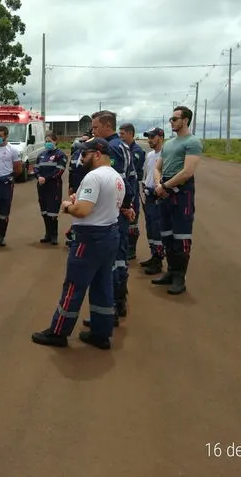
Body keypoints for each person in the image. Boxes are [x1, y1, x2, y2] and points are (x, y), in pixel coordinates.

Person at [31, 138, 126, 350]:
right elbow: (102, 204)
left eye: (85, 154)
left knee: (74, 285)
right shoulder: (116, 177)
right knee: (103, 285)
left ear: (98, 154)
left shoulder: (94, 176)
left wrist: (66, 206)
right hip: (110, 234)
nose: (81, 158)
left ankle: (58, 332)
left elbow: (83, 211)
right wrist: (79, 200)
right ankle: (101, 333)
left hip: (90, 238)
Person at [82, 111, 134, 326]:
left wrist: (122, 205)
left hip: (114, 210)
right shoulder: (121, 145)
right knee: (119, 257)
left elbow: (116, 182)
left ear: (106, 126)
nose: (93, 132)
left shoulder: (111, 147)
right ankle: (117, 304)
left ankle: (110, 309)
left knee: (111, 262)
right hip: (121, 205)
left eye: (95, 127)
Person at [152, 106, 202, 295]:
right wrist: (159, 185)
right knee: (166, 233)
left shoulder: (193, 142)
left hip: (181, 193)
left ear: (186, 120)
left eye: (175, 119)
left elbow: (187, 172)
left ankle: (180, 278)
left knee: (181, 236)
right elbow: (158, 168)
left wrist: (165, 187)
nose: (171, 122)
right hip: (164, 190)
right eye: (171, 119)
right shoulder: (169, 144)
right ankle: (170, 272)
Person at [138, 127, 166, 275]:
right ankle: (153, 255)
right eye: (148, 137)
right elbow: (147, 173)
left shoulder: (166, 154)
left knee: (157, 227)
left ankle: (159, 259)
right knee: (149, 226)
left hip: (158, 195)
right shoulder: (149, 155)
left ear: (160, 137)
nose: (149, 140)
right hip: (148, 193)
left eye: (152, 137)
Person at [33, 131, 68, 245]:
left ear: (55, 141)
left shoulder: (60, 155)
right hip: (42, 186)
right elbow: (36, 168)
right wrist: (38, 176)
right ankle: (47, 234)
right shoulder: (41, 155)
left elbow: (59, 171)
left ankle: (54, 235)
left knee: (52, 212)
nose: (48, 143)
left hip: (53, 186)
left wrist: (46, 178)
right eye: (46, 141)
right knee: (44, 212)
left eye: (50, 141)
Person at [119, 122, 144, 260]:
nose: (120, 136)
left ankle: (131, 249)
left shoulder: (136, 151)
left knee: (132, 221)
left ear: (130, 133)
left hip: (132, 188)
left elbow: (131, 170)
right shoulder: (124, 149)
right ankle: (126, 246)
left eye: (122, 134)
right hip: (124, 188)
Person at [65, 131, 91, 245]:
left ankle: (80, 238)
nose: (82, 143)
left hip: (88, 189)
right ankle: (74, 237)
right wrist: (70, 186)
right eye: (81, 141)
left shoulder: (91, 157)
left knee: (84, 213)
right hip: (76, 187)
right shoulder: (75, 154)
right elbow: (71, 171)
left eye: (85, 141)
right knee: (75, 215)